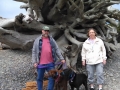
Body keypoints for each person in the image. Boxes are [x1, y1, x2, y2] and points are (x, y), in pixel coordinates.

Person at [32, 26, 65, 90]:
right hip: (40, 64)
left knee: (52, 78)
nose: (46, 32)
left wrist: (62, 58)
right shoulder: (37, 40)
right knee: (39, 78)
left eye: (47, 31)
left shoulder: (52, 40)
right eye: (45, 31)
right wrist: (34, 62)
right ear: (42, 31)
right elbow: (34, 51)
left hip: (50, 63)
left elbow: (57, 49)